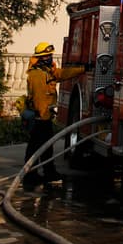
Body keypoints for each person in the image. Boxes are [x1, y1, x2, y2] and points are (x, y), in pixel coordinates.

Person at [22, 41, 84, 189]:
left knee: (45, 147)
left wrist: (82, 69)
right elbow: (39, 99)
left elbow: (61, 74)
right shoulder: (38, 75)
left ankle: (47, 173)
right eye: (47, 55)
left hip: (44, 116)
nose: (50, 57)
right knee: (36, 148)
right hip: (40, 117)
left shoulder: (47, 71)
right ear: (40, 58)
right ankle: (31, 176)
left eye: (50, 55)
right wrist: (43, 117)